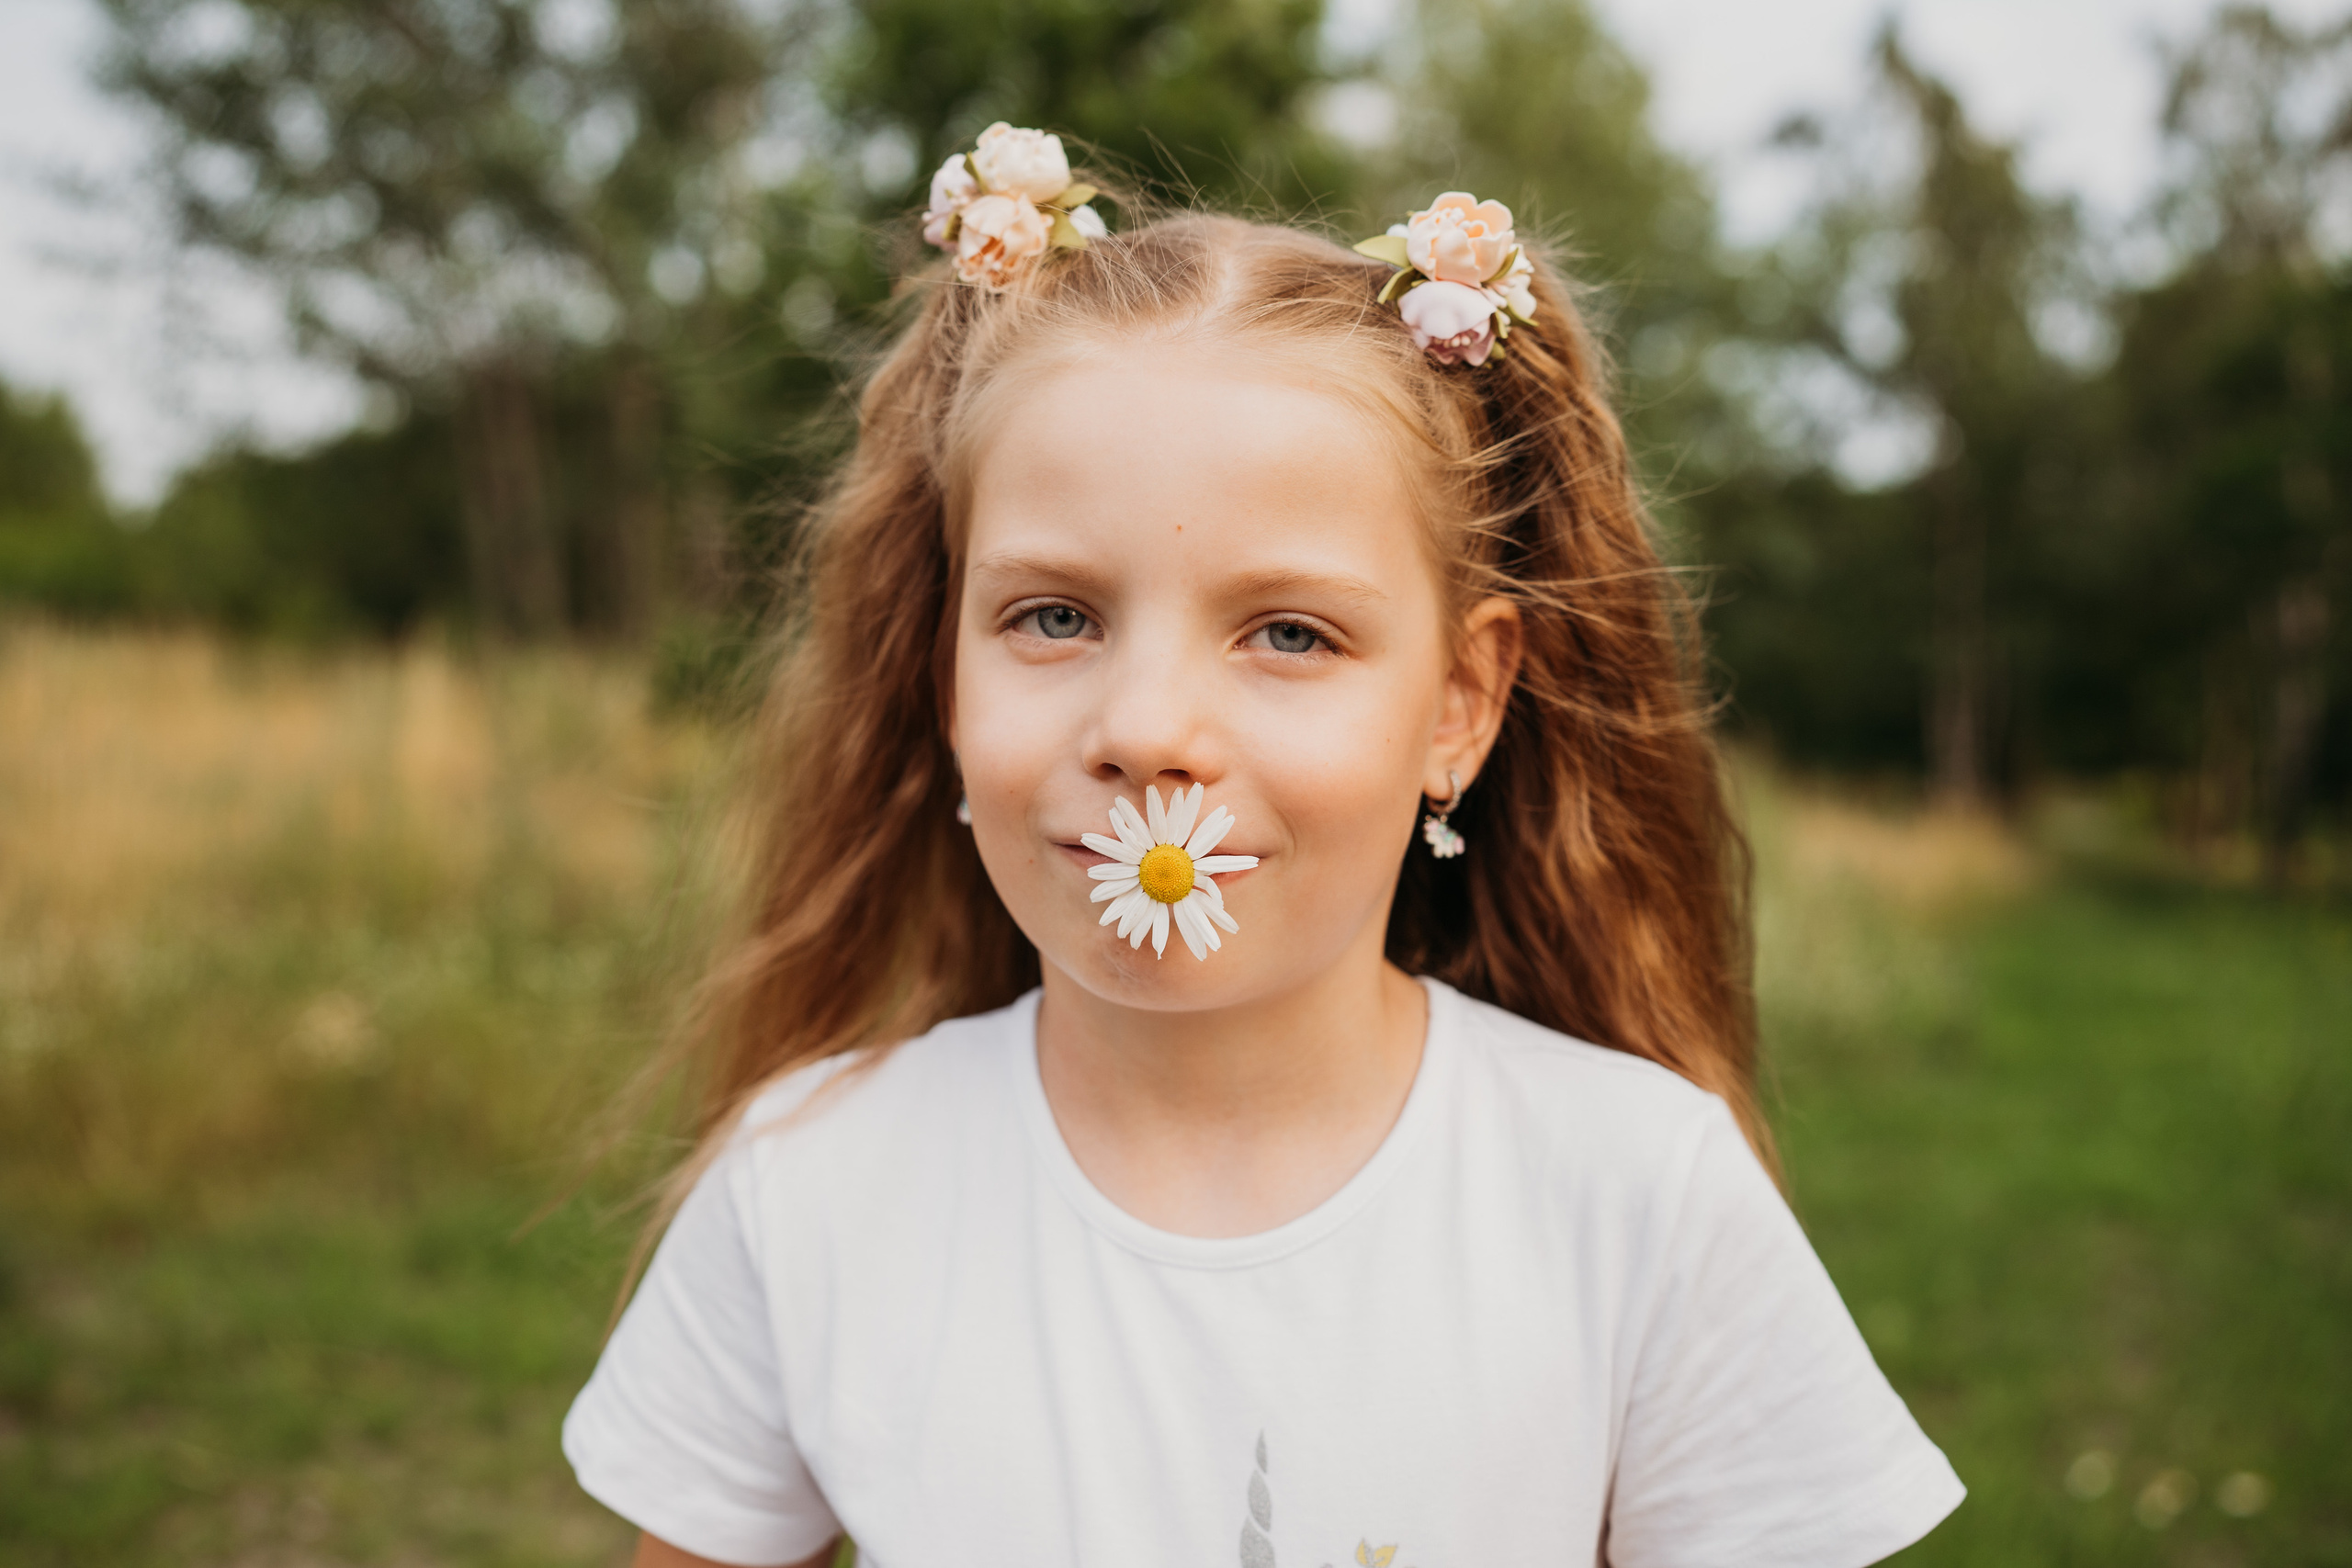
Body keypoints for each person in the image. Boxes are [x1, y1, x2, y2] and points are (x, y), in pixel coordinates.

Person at [562, 124, 1965, 1568]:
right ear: (944, 674)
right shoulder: (809, 1189)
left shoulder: (1639, 1197)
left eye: (1289, 633)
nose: (1145, 729)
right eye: (1055, 617)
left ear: (1460, 706)